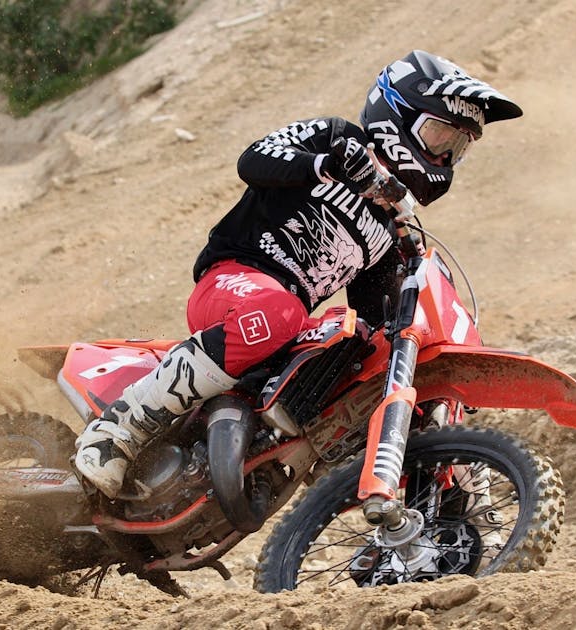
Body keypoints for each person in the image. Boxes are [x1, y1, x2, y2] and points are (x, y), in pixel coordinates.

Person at [75, 50, 523, 498]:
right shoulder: (336, 138)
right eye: (439, 135)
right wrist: (324, 164)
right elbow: (254, 160)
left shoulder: (390, 229)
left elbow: (378, 317)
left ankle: (432, 505)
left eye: (457, 148)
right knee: (281, 311)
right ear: (398, 116)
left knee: (360, 348)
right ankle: (117, 430)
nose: (444, 156)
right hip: (232, 280)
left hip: (283, 324)